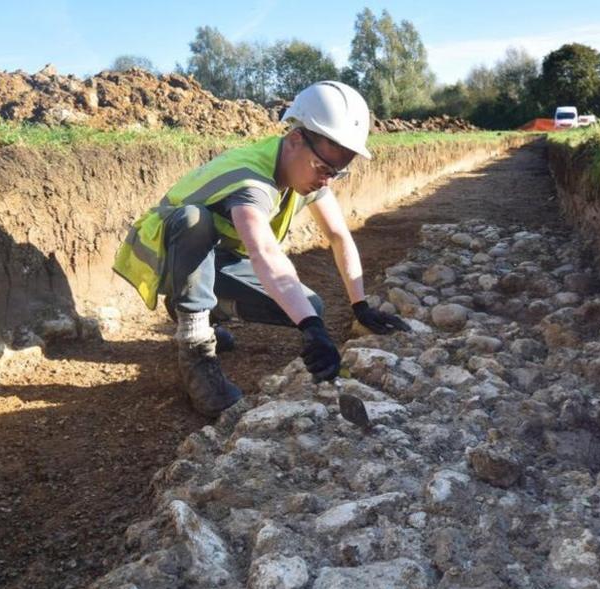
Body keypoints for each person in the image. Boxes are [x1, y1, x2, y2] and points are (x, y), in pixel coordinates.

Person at [113, 80, 410, 416]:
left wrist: (361, 306)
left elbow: (339, 236)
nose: (326, 179)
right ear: (296, 138)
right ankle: (195, 350)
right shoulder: (252, 180)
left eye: (336, 173)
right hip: (169, 258)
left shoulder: (303, 169)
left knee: (309, 305)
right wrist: (311, 330)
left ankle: (203, 312)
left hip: (216, 261)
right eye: (324, 169)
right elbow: (265, 254)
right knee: (195, 220)